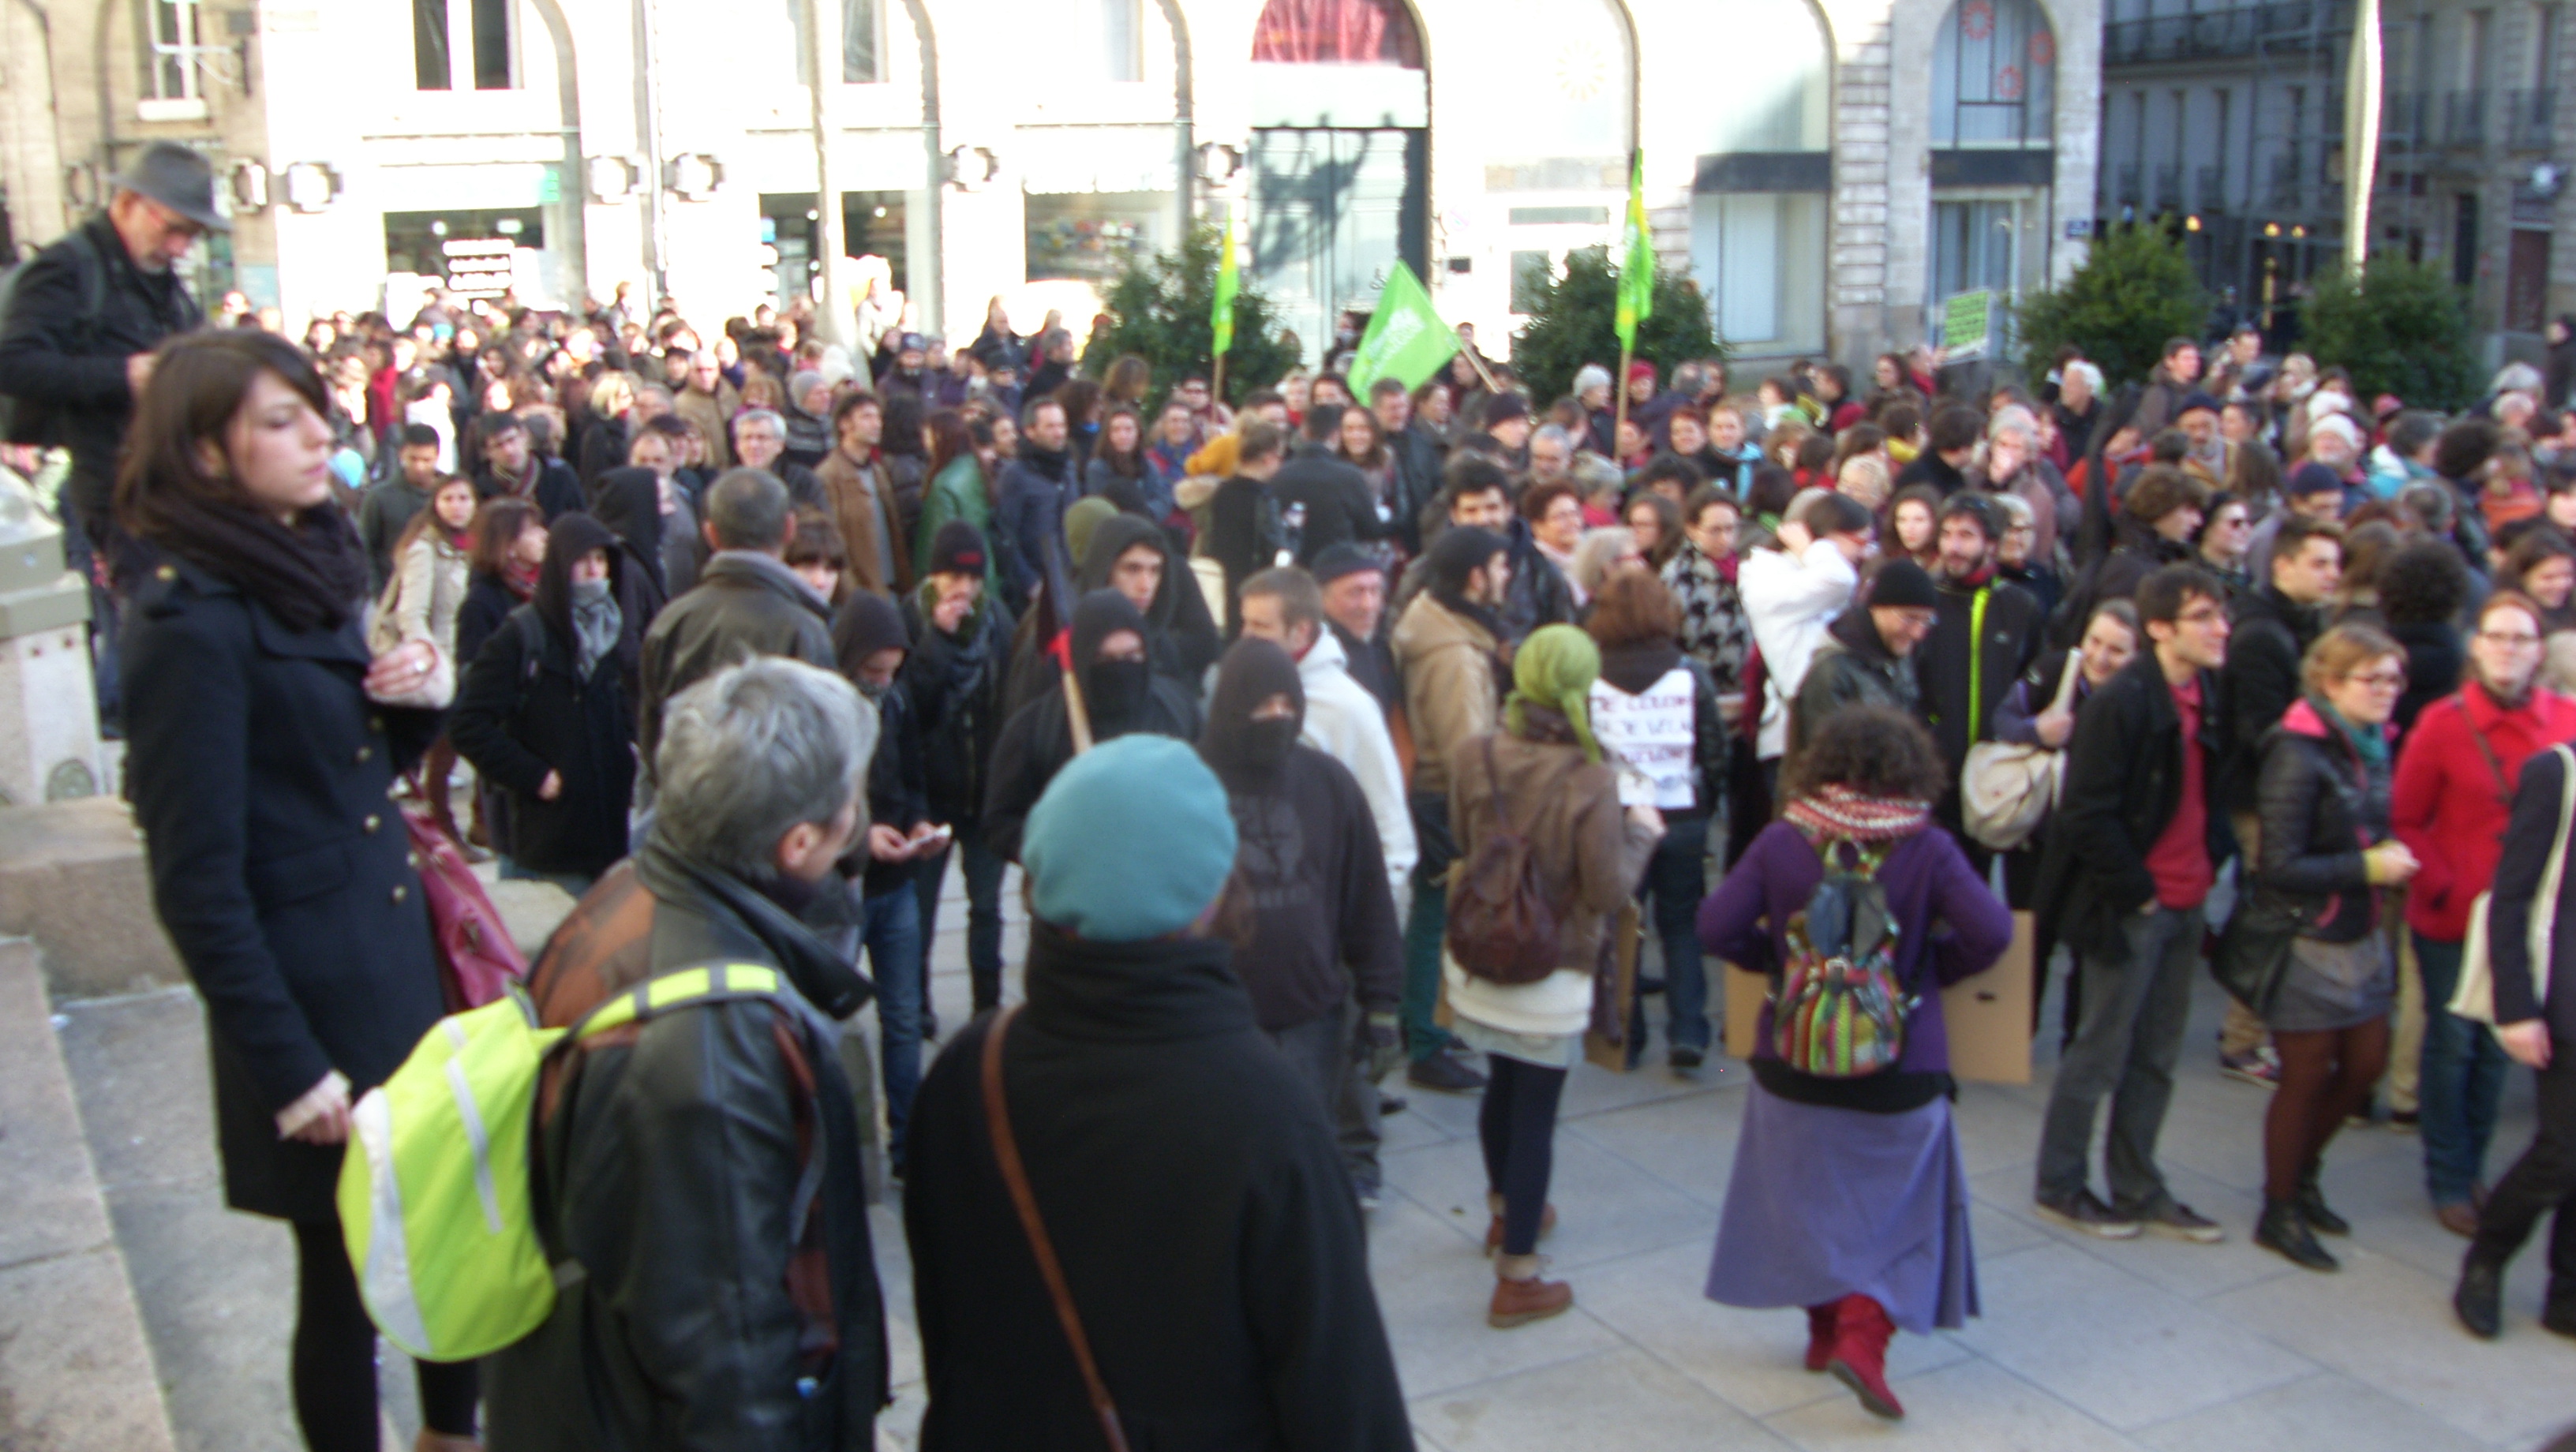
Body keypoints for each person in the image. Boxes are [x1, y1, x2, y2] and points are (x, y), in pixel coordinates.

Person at [115, 330, 480, 1452]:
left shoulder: (299, 557)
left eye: (317, 410)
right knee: (340, 1281)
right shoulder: (190, 625)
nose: (323, 435)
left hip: (390, 970)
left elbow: (343, 758)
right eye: (281, 420)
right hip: (312, 1006)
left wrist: (409, 701)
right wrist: (287, 1067)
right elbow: (197, 881)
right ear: (208, 453)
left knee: (440, 1243)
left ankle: (452, 1435)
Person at [903, 733, 1411, 1449]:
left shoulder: (967, 1073)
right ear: (1213, 893)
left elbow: (946, 1325)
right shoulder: (1269, 1115)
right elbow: (1345, 1401)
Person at [488, 657, 889, 1450]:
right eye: (849, 798)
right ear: (799, 840)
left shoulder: (628, 889)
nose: (857, 814)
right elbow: (726, 1364)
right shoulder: (712, 1047)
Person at [1698, 705, 2009, 1420]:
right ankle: (1863, 1337)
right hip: (1900, 1068)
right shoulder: (1926, 847)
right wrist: (1928, 974)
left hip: (1791, 1064)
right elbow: (1989, 931)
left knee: (1803, 1198)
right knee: (1907, 1207)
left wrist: (1777, 966)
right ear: (1912, 770)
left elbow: (1716, 925)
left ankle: (1820, 1332)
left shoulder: (1783, 839)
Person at [1442, 623, 1663, 1326]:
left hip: (1477, 955)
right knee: (1536, 1110)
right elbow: (1605, 890)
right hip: (1553, 966)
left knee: (1501, 1086)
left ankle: (1506, 1214)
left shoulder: (1473, 753)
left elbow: (1459, 837)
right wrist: (1643, 834)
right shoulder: (1590, 777)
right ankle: (1519, 1277)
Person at [2031, 565, 2233, 1241]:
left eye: (2219, 615)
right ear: (2160, 628)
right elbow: (2086, 812)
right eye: (2203, 616)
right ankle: (2062, 1183)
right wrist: (2139, 893)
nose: (2220, 628)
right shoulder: (2123, 702)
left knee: (2157, 1053)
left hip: (2189, 899)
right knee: (2099, 1050)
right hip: (2135, 905)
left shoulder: (2208, 691)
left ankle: (2138, 1183)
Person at [0, 141, 216, 732]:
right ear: (129, 204)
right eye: (174, 230)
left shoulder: (160, 279)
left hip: (179, 478)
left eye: (191, 236)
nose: (179, 248)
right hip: (119, 483)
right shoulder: (67, 268)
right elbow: (13, 362)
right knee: (164, 630)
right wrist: (125, 375)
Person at [2393, 589, 2576, 1237]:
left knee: (2502, 1047)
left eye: (2521, 639)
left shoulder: (2564, 721)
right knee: (2451, 1047)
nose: (2507, 649)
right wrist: (2441, 886)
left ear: (2539, 650)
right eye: (2496, 636)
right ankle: (2450, 1174)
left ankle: (2476, 1165)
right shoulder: (2444, 722)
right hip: (2455, 912)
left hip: (2533, 921)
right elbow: (2407, 817)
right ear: (2476, 645)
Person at [1197, 638, 1405, 1203]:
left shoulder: (1328, 783)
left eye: (1288, 707)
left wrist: (1383, 1003)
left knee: (1298, 1160)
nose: (1277, 720)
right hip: (1218, 1018)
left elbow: (1368, 898)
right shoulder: (1189, 784)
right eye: (1262, 708)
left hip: (1309, 1017)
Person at [2242, 623, 2421, 1270]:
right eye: (2370, 679)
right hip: (2308, 936)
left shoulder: (2369, 743)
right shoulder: (2298, 750)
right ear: (2328, 681)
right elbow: (2279, 864)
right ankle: (2279, 1205)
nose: (2386, 691)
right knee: (2308, 1073)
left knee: (2366, 1064)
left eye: (2393, 679)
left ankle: (2304, 1175)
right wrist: (2369, 868)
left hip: (2361, 930)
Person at [2452, 733, 2576, 1338]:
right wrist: (2517, 1007)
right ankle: (2487, 1258)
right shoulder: (2558, 771)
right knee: (2562, 1151)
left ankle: (2568, 1292)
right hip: (2564, 997)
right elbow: (2512, 895)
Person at [447, 512, 638, 894]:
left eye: (601, 561)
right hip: (549, 841)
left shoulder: (614, 630)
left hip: (611, 835)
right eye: (581, 562)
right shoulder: (523, 635)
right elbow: (467, 723)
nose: (593, 573)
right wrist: (533, 775)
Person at [1390, 525, 1515, 1095]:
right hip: (1444, 799)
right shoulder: (1456, 656)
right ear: (1475, 576)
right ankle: (1424, 1040)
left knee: (1433, 919)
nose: (1506, 576)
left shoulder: (1436, 620)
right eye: (1499, 565)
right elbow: (1469, 750)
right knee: (1434, 921)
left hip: (1432, 792)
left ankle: (1430, 1024)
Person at [1584, 571, 1726, 1067]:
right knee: (1682, 924)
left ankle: (1626, 1034)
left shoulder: (1590, 675)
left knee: (1623, 926)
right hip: (1681, 812)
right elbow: (1714, 750)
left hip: (1616, 817)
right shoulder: (1692, 672)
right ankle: (1689, 1032)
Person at [636, 468, 837, 785]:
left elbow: (653, 744)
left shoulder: (672, 620)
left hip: (689, 810)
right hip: (775, 819)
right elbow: (823, 755)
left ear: (710, 534)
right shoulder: (803, 628)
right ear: (789, 528)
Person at [833, 590, 940, 1166]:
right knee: (835, 1023)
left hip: (896, 885)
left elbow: (914, 773)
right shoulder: (828, 710)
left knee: (902, 1017)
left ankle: (906, 1140)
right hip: (846, 887)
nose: (882, 681)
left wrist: (919, 822)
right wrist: (863, 834)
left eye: (891, 671)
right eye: (872, 672)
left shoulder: (896, 702)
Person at [983, 589, 1201, 861]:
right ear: (1083, 659)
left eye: (1132, 656)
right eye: (1105, 659)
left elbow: (1211, 797)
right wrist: (1057, 847)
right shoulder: (1036, 729)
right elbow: (1001, 822)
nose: (1121, 670)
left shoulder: (1177, 711)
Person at [900, 522, 1016, 1016]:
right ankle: (918, 1003)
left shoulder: (997, 620)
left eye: (972, 577)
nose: (963, 589)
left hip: (985, 793)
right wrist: (938, 642)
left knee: (987, 907)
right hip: (931, 797)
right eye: (952, 576)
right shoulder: (909, 619)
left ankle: (986, 1009)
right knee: (921, 911)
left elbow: (1012, 699)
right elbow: (910, 709)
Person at [1919, 496, 2043, 859]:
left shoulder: (2020, 606)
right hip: (1932, 771)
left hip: (1991, 776)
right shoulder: (1925, 601)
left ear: (1991, 543)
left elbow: (2032, 685)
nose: (1953, 547)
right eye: (1946, 534)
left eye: (1966, 536)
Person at [1790, 559, 1940, 758]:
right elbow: (1827, 758)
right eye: (1910, 618)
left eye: (1927, 621)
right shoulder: (1833, 670)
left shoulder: (1900, 657)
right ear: (1877, 608)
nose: (1918, 633)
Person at [818, 391, 914, 601]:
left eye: (878, 417)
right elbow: (833, 543)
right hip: (862, 596)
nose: (876, 424)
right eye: (866, 417)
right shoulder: (829, 476)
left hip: (892, 587)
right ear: (845, 424)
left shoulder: (878, 471)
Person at [1271, 402, 1388, 565]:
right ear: (1335, 435)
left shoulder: (1279, 475)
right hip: (1338, 566)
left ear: (1304, 433)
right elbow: (1371, 529)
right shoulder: (1349, 476)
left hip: (1296, 567)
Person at [993, 395, 1080, 611]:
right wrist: (1029, 583)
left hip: (1067, 581)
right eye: (1050, 427)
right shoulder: (1015, 475)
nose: (1059, 433)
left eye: (1062, 425)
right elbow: (1004, 535)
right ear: (1030, 431)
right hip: (1032, 590)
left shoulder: (1068, 468)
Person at [357, 425, 447, 592]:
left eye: (426, 460)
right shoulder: (380, 497)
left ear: (437, 457)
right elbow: (365, 548)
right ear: (401, 455)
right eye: (413, 459)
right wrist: (378, 591)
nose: (419, 467)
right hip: (396, 591)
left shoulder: (453, 494)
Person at [471, 409, 586, 520]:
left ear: (524, 436)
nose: (508, 451)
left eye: (511, 440)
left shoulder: (559, 475)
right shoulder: (482, 490)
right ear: (488, 453)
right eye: (498, 445)